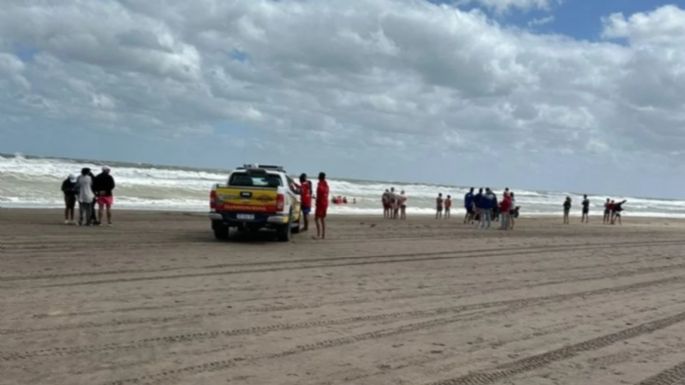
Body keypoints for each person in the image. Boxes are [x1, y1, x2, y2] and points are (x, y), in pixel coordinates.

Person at [314, 172, 329, 239]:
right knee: (322, 219)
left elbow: (319, 196)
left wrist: (316, 202)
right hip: (325, 203)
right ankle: (323, 235)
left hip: (320, 204)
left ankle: (318, 234)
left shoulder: (319, 185)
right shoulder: (327, 185)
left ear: (319, 177)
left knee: (316, 219)